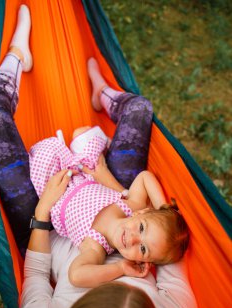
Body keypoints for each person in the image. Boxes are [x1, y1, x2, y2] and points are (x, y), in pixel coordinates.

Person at [0, 5, 200, 308]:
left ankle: (16, 58)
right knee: (140, 109)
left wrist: (44, 211)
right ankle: (102, 93)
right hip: (113, 195)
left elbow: (35, 271)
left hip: (50, 224)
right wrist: (152, 212)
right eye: (135, 291)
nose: (124, 273)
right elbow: (167, 240)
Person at [28, 58, 189, 288]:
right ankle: (100, 99)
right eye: (142, 228)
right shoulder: (131, 208)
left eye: (142, 249)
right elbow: (144, 178)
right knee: (83, 134)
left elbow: (77, 275)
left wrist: (120, 268)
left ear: (144, 263)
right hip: (83, 173)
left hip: (53, 186)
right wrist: (165, 210)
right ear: (141, 213)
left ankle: (94, 138)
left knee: (44, 151)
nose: (133, 239)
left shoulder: (96, 246)